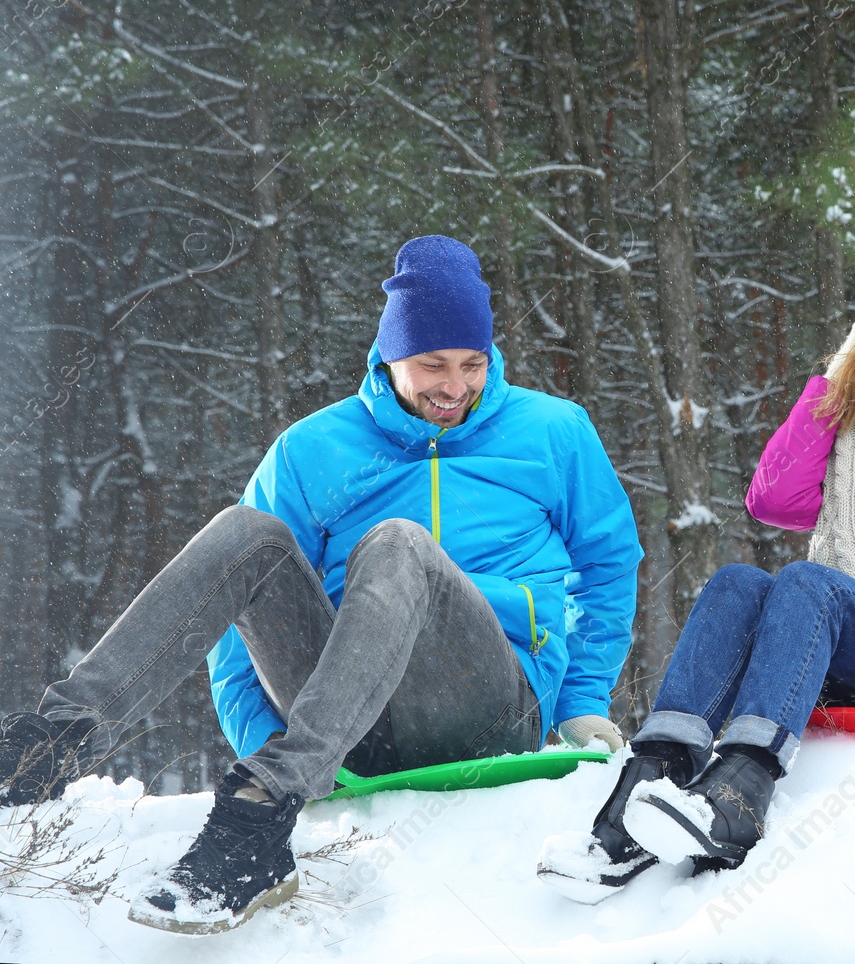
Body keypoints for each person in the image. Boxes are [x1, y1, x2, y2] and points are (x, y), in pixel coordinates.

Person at [0, 235, 642, 934]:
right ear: (390, 356)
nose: (454, 387)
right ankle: (50, 744)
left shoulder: (553, 432)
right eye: (432, 364)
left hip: (489, 703)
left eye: (472, 365)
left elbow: (608, 567)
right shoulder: (314, 449)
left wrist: (581, 701)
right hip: (344, 714)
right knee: (246, 531)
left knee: (398, 543)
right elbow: (238, 614)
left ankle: (261, 811)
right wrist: (257, 731)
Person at [538, 250, 855, 902]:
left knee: (809, 582)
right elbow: (772, 501)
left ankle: (738, 795)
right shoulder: (852, 424)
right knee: (736, 582)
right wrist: (835, 379)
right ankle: (642, 796)